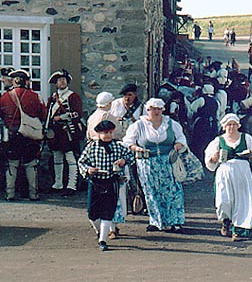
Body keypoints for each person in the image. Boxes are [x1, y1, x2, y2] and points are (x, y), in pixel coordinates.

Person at [122, 98, 187, 233]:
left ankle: (175, 220)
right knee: (152, 192)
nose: (157, 111)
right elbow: (128, 142)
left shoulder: (171, 124)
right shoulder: (139, 125)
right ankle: (156, 221)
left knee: (172, 191)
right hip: (147, 163)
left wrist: (178, 144)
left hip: (168, 162)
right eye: (153, 109)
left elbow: (181, 137)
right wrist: (136, 148)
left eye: (159, 109)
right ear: (148, 110)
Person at [77, 120, 135, 251]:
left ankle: (102, 240)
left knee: (108, 212)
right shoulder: (92, 147)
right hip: (96, 181)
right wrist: (88, 170)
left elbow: (131, 157)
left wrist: (123, 161)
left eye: (110, 132)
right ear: (98, 133)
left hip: (111, 182)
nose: (107, 135)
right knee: (92, 213)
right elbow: (81, 162)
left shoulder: (118, 146)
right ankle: (98, 230)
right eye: (104, 132)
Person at [204, 113, 252, 242]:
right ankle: (226, 220)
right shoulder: (218, 141)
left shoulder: (247, 138)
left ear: (238, 126)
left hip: (242, 173)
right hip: (224, 173)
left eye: (234, 124)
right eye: (229, 125)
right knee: (223, 201)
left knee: (243, 201)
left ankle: (239, 231)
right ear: (224, 127)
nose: (231, 127)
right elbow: (209, 160)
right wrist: (214, 157)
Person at [0, 69, 46, 201]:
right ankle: (33, 194)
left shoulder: (4, 97)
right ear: (26, 81)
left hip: (12, 134)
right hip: (29, 134)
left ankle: (10, 194)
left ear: (14, 81)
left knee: (12, 164)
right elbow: (42, 114)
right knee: (31, 164)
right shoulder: (35, 96)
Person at [46, 69, 84, 196]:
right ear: (55, 83)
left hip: (68, 131)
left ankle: (71, 185)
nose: (62, 82)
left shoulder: (73, 96)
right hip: (56, 132)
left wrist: (61, 117)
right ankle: (58, 184)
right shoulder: (52, 97)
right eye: (59, 80)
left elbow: (77, 113)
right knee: (57, 157)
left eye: (64, 80)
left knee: (70, 158)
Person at [189, 84, 219, 162]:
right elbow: (217, 114)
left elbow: (193, 108)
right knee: (209, 141)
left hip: (202, 123)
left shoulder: (202, 99)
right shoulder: (216, 101)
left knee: (199, 141)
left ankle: (199, 158)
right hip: (213, 124)